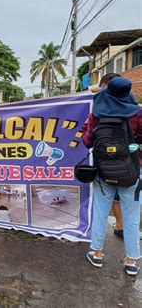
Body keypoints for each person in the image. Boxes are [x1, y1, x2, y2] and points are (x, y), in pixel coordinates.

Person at [82, 77, 141, 276]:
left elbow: (88, 141)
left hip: (103, 171)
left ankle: (97, 253)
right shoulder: (138, 113)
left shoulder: (97, 114)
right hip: (132, 172)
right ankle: (132, 261)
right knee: (132, 217)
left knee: (100, 211)